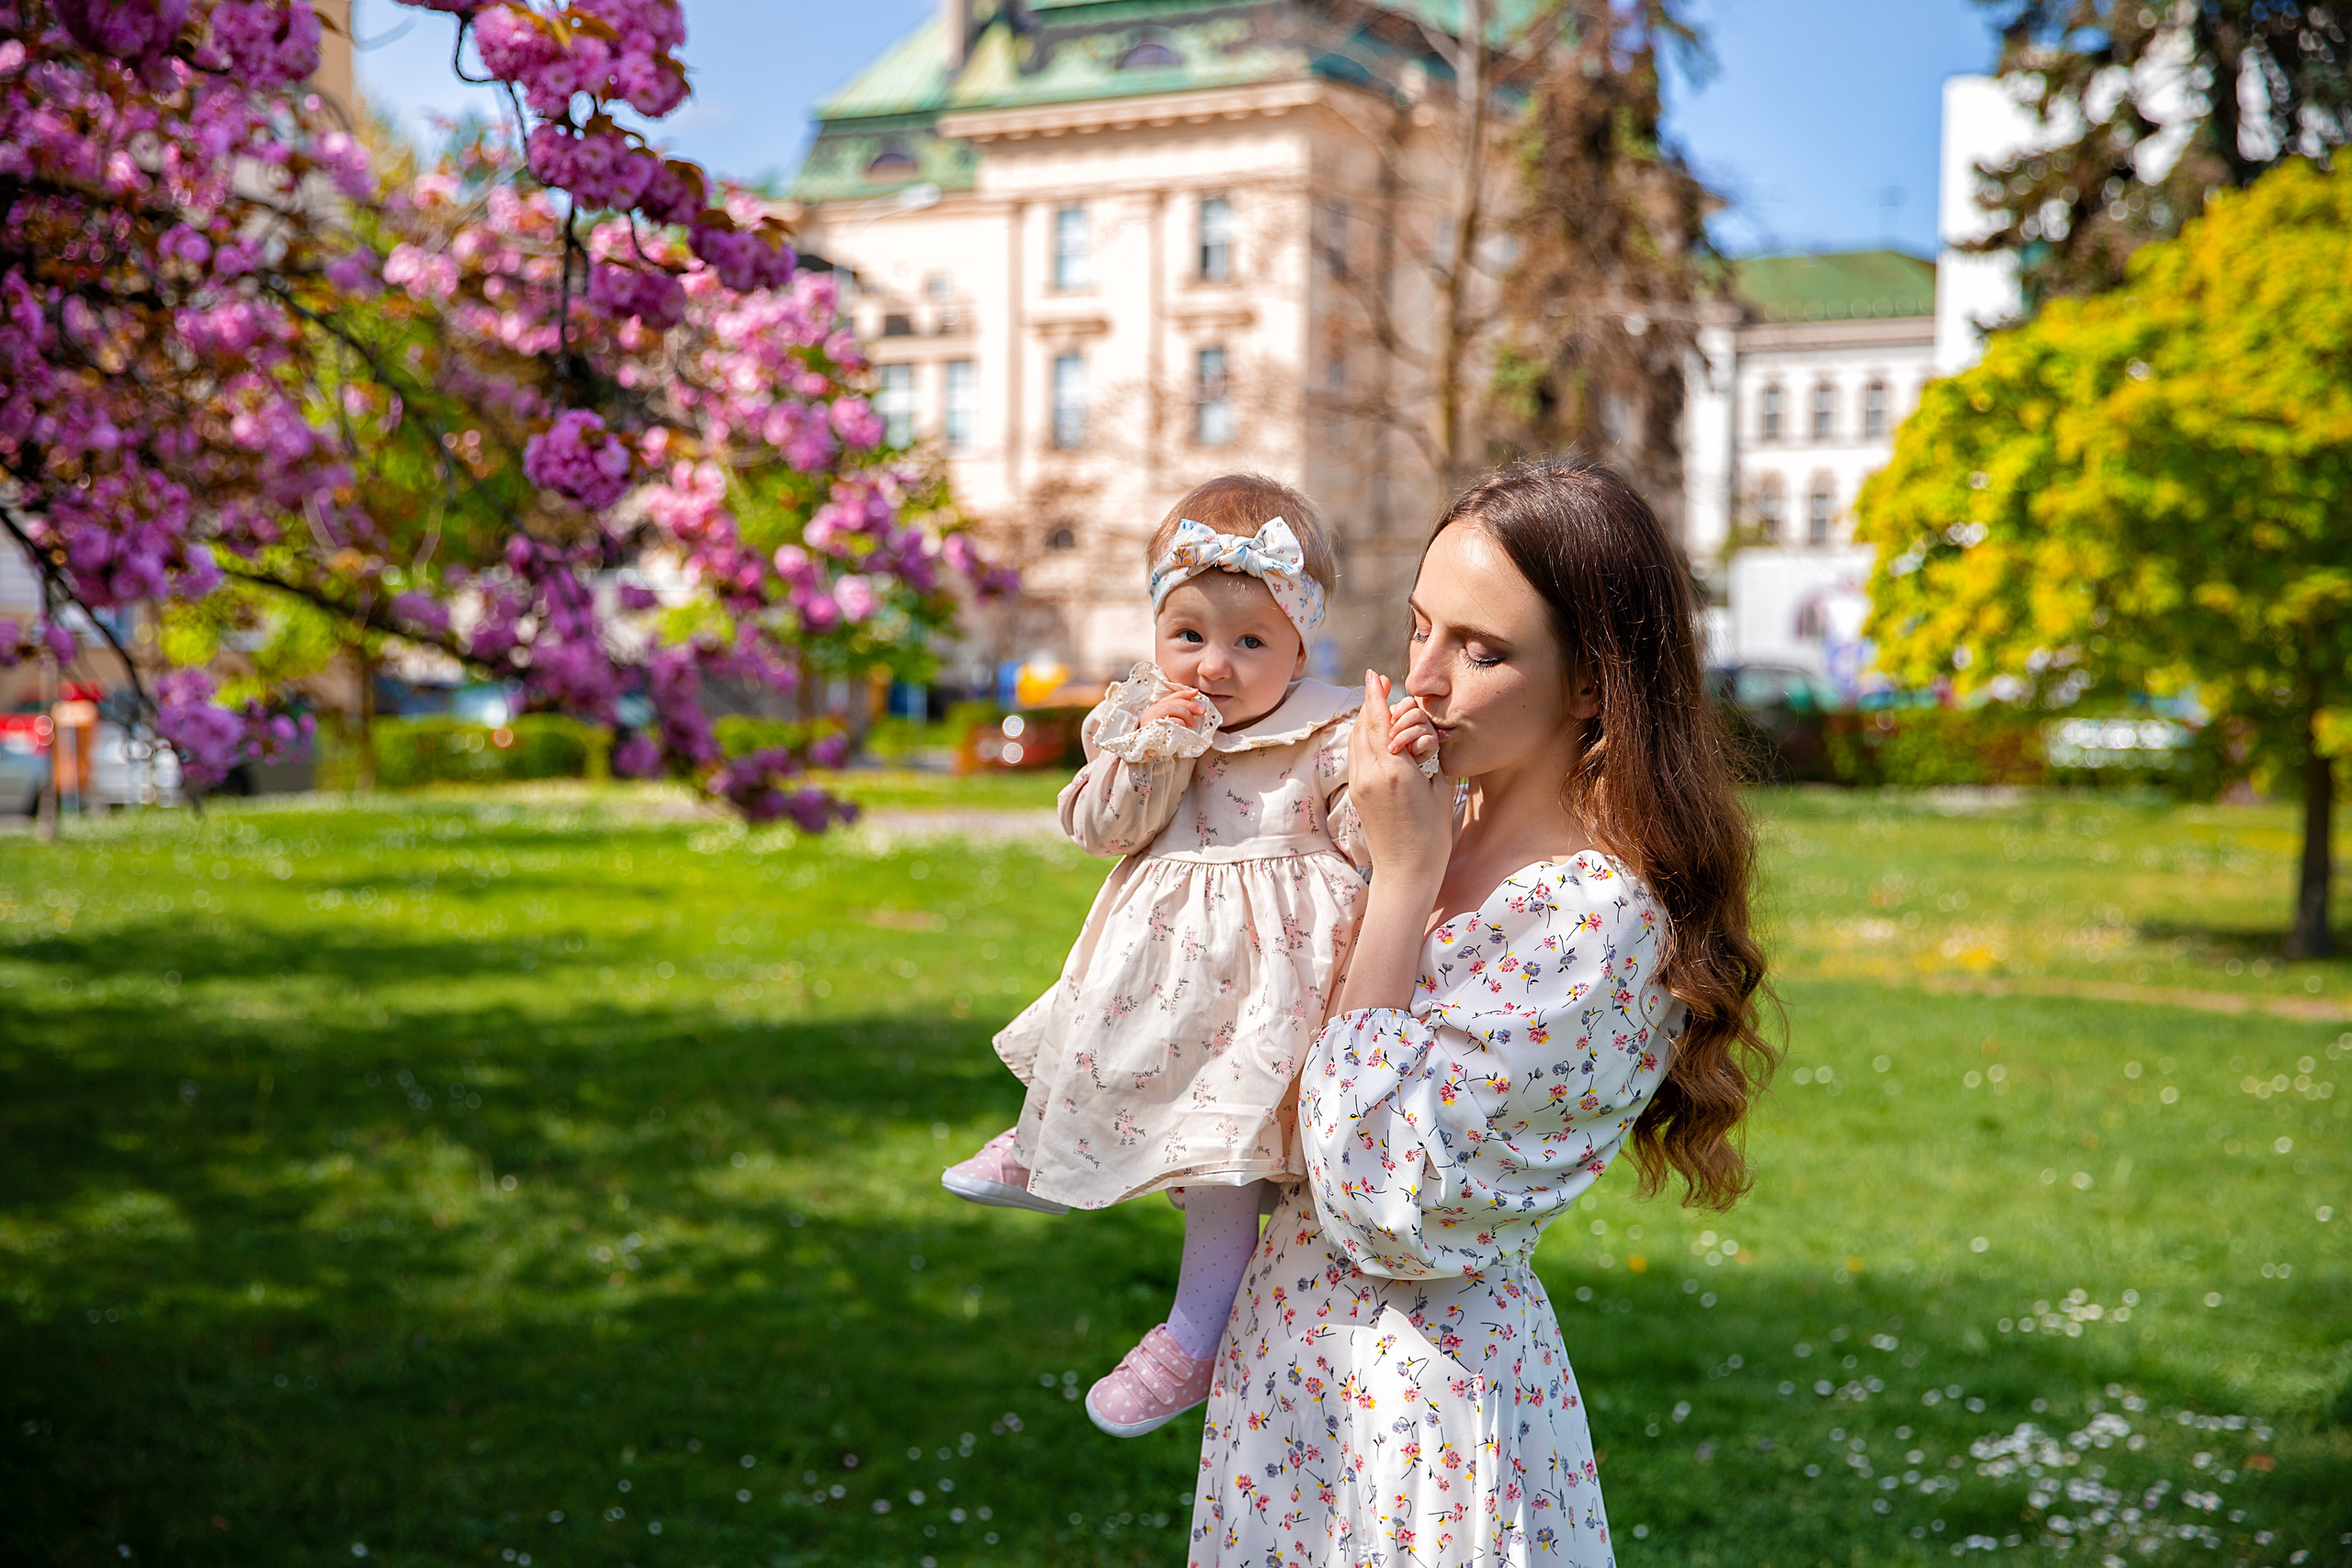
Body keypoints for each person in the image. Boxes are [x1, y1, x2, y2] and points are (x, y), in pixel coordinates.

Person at [1189, 459, 1774, 1567]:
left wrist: (1404, 885)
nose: (1424, 681)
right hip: (1286, 1377)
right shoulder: (1414, 814)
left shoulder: (1594, 922)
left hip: (1418, 1420)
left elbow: (1383, 1204)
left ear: (1595, 684)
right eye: (1419, 628)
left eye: (1483, 650)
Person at [942, 474, 1376, 1438]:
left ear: (1301, 643)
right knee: (1097, 1014)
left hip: (1276, 988)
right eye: (1188, 636)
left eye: (1249, 641)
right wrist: (1152, 755)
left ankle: (1192, 1336)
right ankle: (1050, 1145)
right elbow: (1101, 831)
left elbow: (1374, 842)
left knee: (1223, 1146)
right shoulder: (1147, 720)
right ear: (1155, 631)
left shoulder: (1330, 732)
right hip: (1163, 970)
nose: (1213, 666)